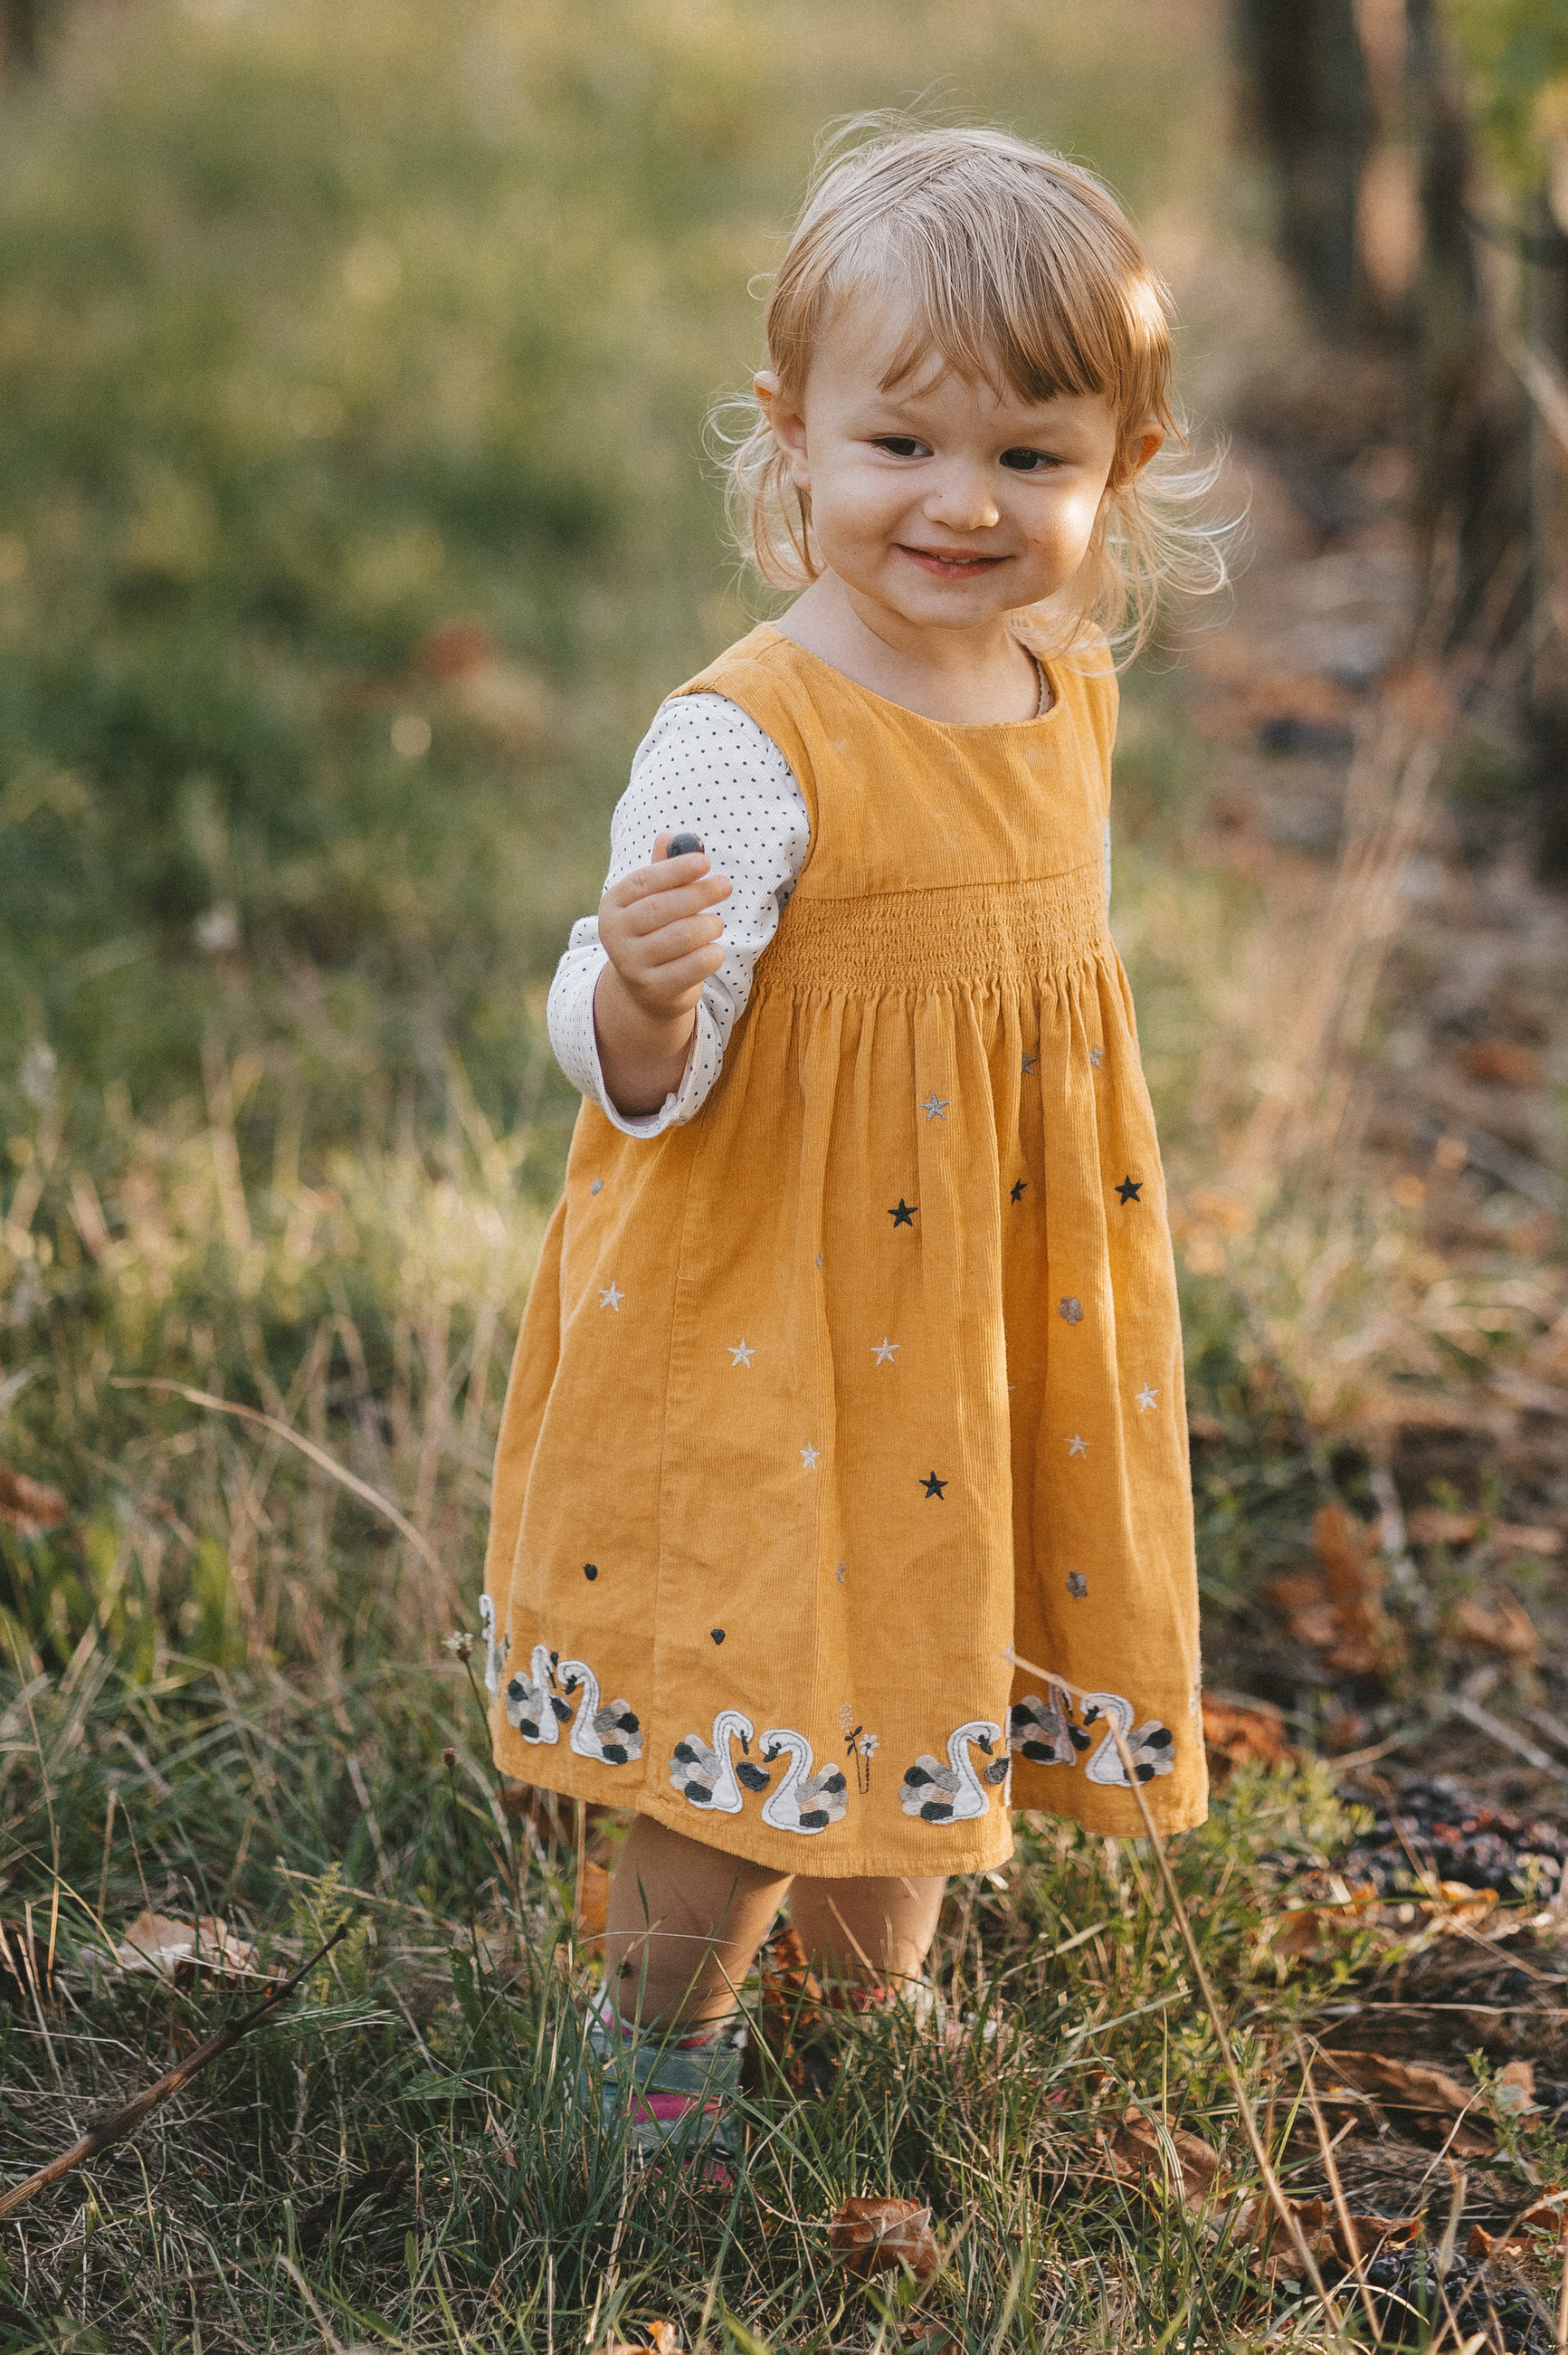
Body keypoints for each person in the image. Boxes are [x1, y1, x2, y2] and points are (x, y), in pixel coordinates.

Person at [480, 119, 1221, 2160]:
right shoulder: (748, 731)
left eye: (1029, 457)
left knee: (926, 1639)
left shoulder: (1057, 692)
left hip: (971, 1295)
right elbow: (640, 1052)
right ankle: (655, 2053)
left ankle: (856, 2012)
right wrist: (630, 991)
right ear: (788, 435)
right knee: (758, 1666)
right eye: (901, 446)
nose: (960, 506)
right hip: (775, 1302)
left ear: (1117, 471)